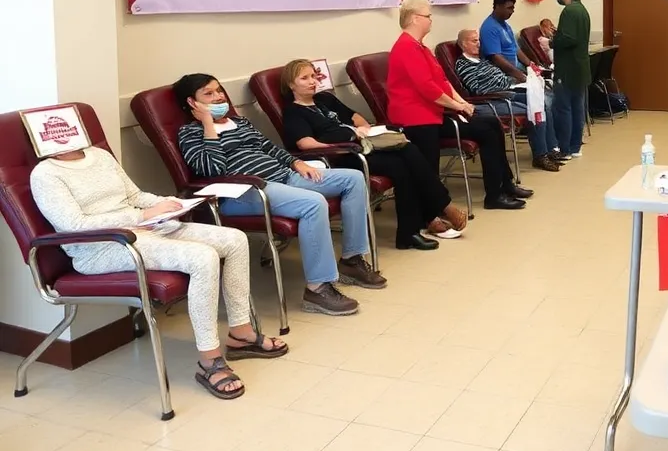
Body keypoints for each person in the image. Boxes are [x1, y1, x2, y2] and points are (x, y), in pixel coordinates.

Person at [30, 146, 287, 400]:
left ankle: (240, 333)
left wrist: (170, 205)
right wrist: (141, 216)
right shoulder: (45, 174)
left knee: (235, 240)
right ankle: (210, 360)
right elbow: (74, 225)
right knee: (203, 257)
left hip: (145, 228)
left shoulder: (100, 156)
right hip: (101, 247)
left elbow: (135, 195)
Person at [175, 75, 386, 317]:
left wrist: (296, 163)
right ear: (193, 103)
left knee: (353, 179)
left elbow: (269, 147)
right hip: (245, 192)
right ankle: (317, 288)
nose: (219, 96)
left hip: (283, 176)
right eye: (208, 94)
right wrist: (208, 125)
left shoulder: (239, 122)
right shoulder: (190, 132)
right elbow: (211, 170)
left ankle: (351, 260)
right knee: (313, 203)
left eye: (219, 90)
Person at [278, 59, 469, 251]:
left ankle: (423, 221)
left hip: (364, 145)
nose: (312, 81)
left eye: (313, 76)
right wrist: (339, 144)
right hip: (343, 155)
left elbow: (355, 116)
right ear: (290, 84)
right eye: (304, 78)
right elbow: (305, 143)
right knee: (400, 166)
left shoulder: (325, 99)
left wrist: (363, 129)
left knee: (409, 149)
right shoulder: (294, 113)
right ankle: (432, 214)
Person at [387, 0, 531, 209]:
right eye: (428, 16)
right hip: (417, 119)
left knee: (491, 125)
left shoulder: (421, 48)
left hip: (433, 114)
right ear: (415, 19)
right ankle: (494, 195)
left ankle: (504, 184)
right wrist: (458, 107)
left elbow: (442, 81)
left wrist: (461, 101)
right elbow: (428, 88)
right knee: (487, 131)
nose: (430, 20)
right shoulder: (406, 47)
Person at [454, 28, 562, 171]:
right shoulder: (463, 64)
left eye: (479, 40)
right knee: (533, 107)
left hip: (508, 89)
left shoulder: (482, 60)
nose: (479, 43)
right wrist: (506, 84)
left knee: (540, 101)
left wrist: (517, 81)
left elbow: (499, 77)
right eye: (474, 41)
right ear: (463, 44)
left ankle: (550, 149)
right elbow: (477, 89)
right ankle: (540, 155)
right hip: (495, 98)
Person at [551, 0, 591, 159]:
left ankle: (565, 148)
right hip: (580, 68)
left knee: (564, 108)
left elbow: (568, 39)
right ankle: (575, 147)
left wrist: (551, 42)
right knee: (578, 108)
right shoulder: (582, 10)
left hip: (567, 68)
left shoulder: (569, 11)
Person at [479, 0, 539, 77]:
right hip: (505, 75)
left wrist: (532, 66)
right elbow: (496, 58)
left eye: (513, 8)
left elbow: (516, 49)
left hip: (518, 69)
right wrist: (521, 76)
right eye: (509, 8)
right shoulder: (489, 28)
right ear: (498, 6)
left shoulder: (505, 25)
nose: (512, 11)